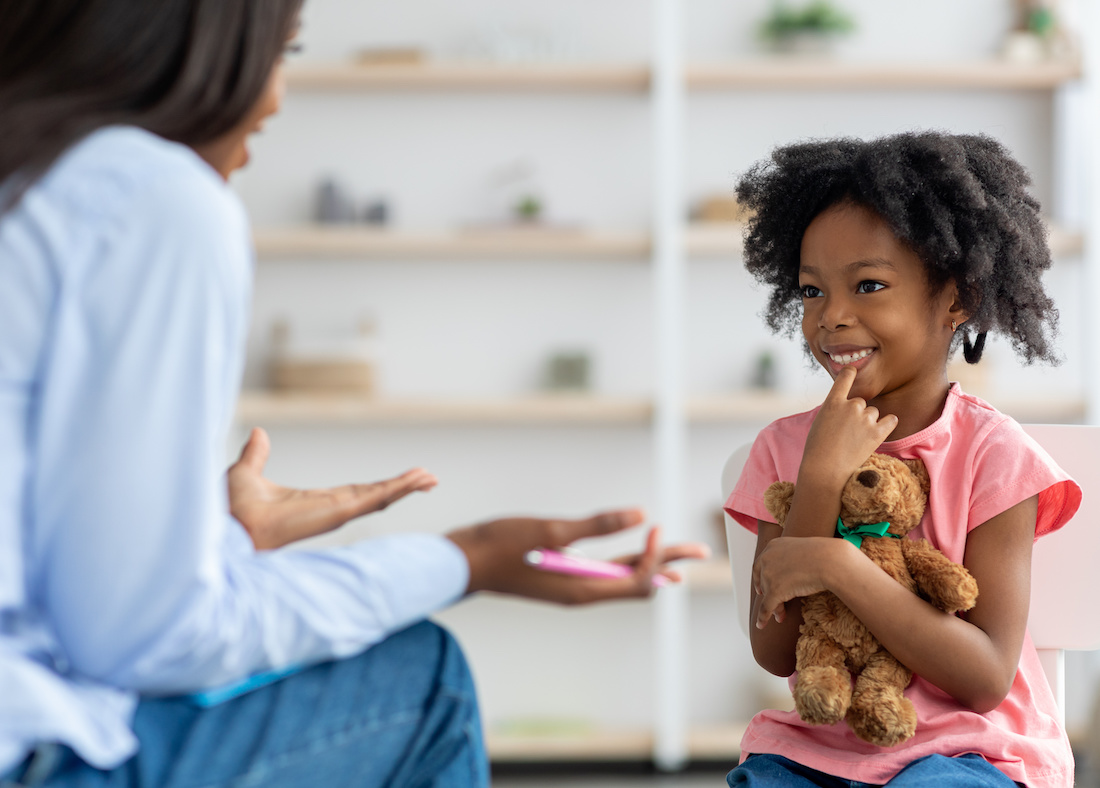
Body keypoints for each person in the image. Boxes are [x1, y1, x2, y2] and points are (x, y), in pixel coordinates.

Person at [0, 2, 709, 786]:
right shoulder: (143, 195)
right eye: (284, 49)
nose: (273, 101)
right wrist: (465, 559)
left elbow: (59, 584)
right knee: (420, 674)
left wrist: (225, 544)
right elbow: (148, 641)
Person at [723, 131, 1082, 788]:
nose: (831, 317)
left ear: (957, 298)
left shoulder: (992, 454)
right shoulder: (782, 451)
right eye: (810, 291)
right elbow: (775, 652)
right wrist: (820, 481)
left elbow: (982, 678)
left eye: (868, 285)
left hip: (969, 755)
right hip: (817, 753)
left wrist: (837, 562)